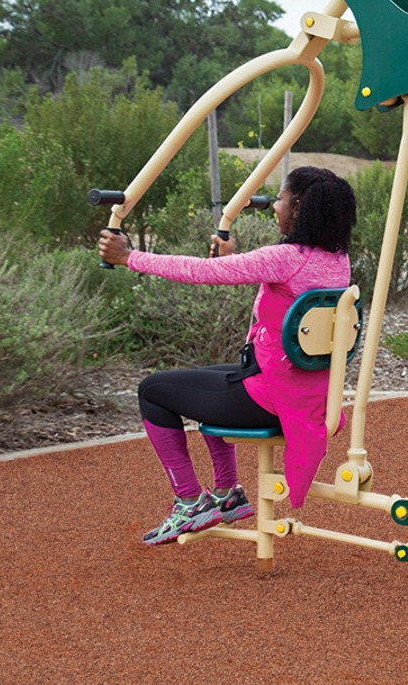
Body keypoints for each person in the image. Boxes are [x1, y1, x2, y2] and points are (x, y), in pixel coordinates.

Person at [98, 166, 357, 546]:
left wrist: (130, 258)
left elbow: (199, 272)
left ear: (299, 208)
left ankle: (188, 501)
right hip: (307, 394)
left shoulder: (285, 257)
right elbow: (279, 284)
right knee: (209, 377)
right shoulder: (337, 261)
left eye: (281, 199)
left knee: (153, 390)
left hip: (271, 397)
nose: (276, 208)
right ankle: (226, 495)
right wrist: (233, 260)